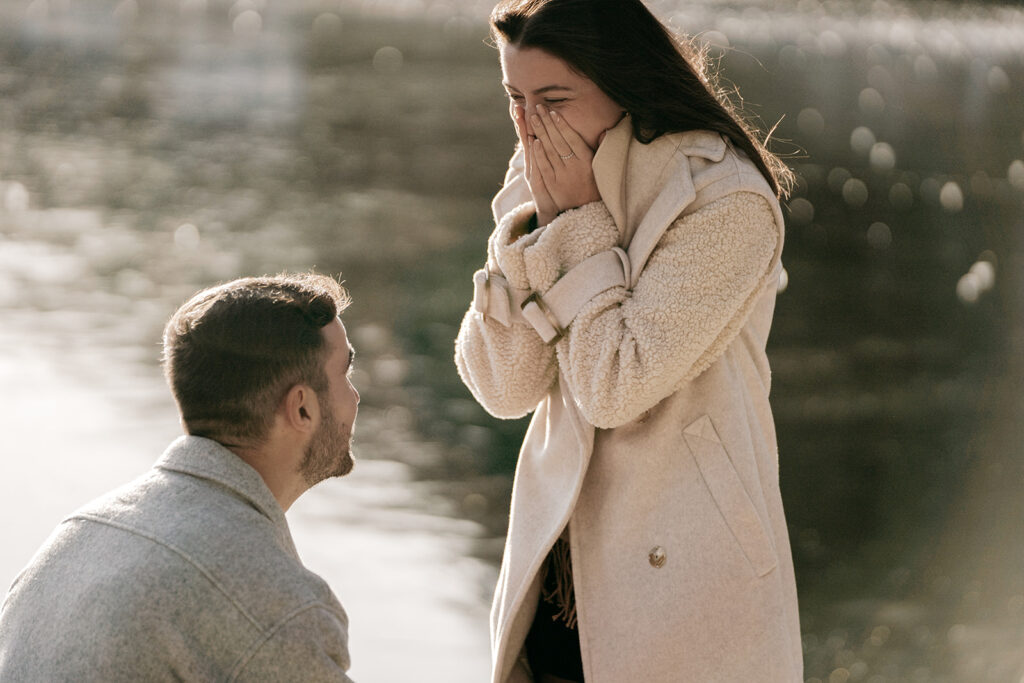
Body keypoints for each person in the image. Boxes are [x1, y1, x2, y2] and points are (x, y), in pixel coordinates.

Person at [454, 1, 802, 681]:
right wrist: (530, 228)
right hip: (559, 569)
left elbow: (615, 386)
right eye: (514, 98)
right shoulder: (540, 170)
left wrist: (579, 222)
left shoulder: (726, 199)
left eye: (553, 99)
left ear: (623, 81)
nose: (529, 125)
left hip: (684, 580)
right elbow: (504, 386)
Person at [0, 273, 359, 682]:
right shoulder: (277, 608)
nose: (356, 396)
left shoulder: (72, 542)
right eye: (345, 372)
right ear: (302, 409)